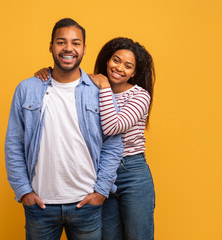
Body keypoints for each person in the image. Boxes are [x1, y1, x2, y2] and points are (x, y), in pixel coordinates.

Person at [5, 18, 123, 240]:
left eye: (75, 43)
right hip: (40, 205)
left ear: (84, 49)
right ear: (51, 46)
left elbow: (113, 144)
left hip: (86, 204)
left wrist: (100, 191)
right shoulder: (27, 89)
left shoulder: (99, 91)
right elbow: (14, 143)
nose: (68, 48)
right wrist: (24, 192)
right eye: (61, 42)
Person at [35, 37, 156, 240]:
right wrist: (47, 73)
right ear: (107, 60)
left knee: (139, 236)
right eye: (116, 60)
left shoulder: (140, 96)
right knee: (107, 236)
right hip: (99, 172)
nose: (119, 68)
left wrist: (105, 88)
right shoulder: (90, 86)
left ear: (134, 73)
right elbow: (64, 86)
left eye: (128, 66)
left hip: (132, 172)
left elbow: (112, 126)